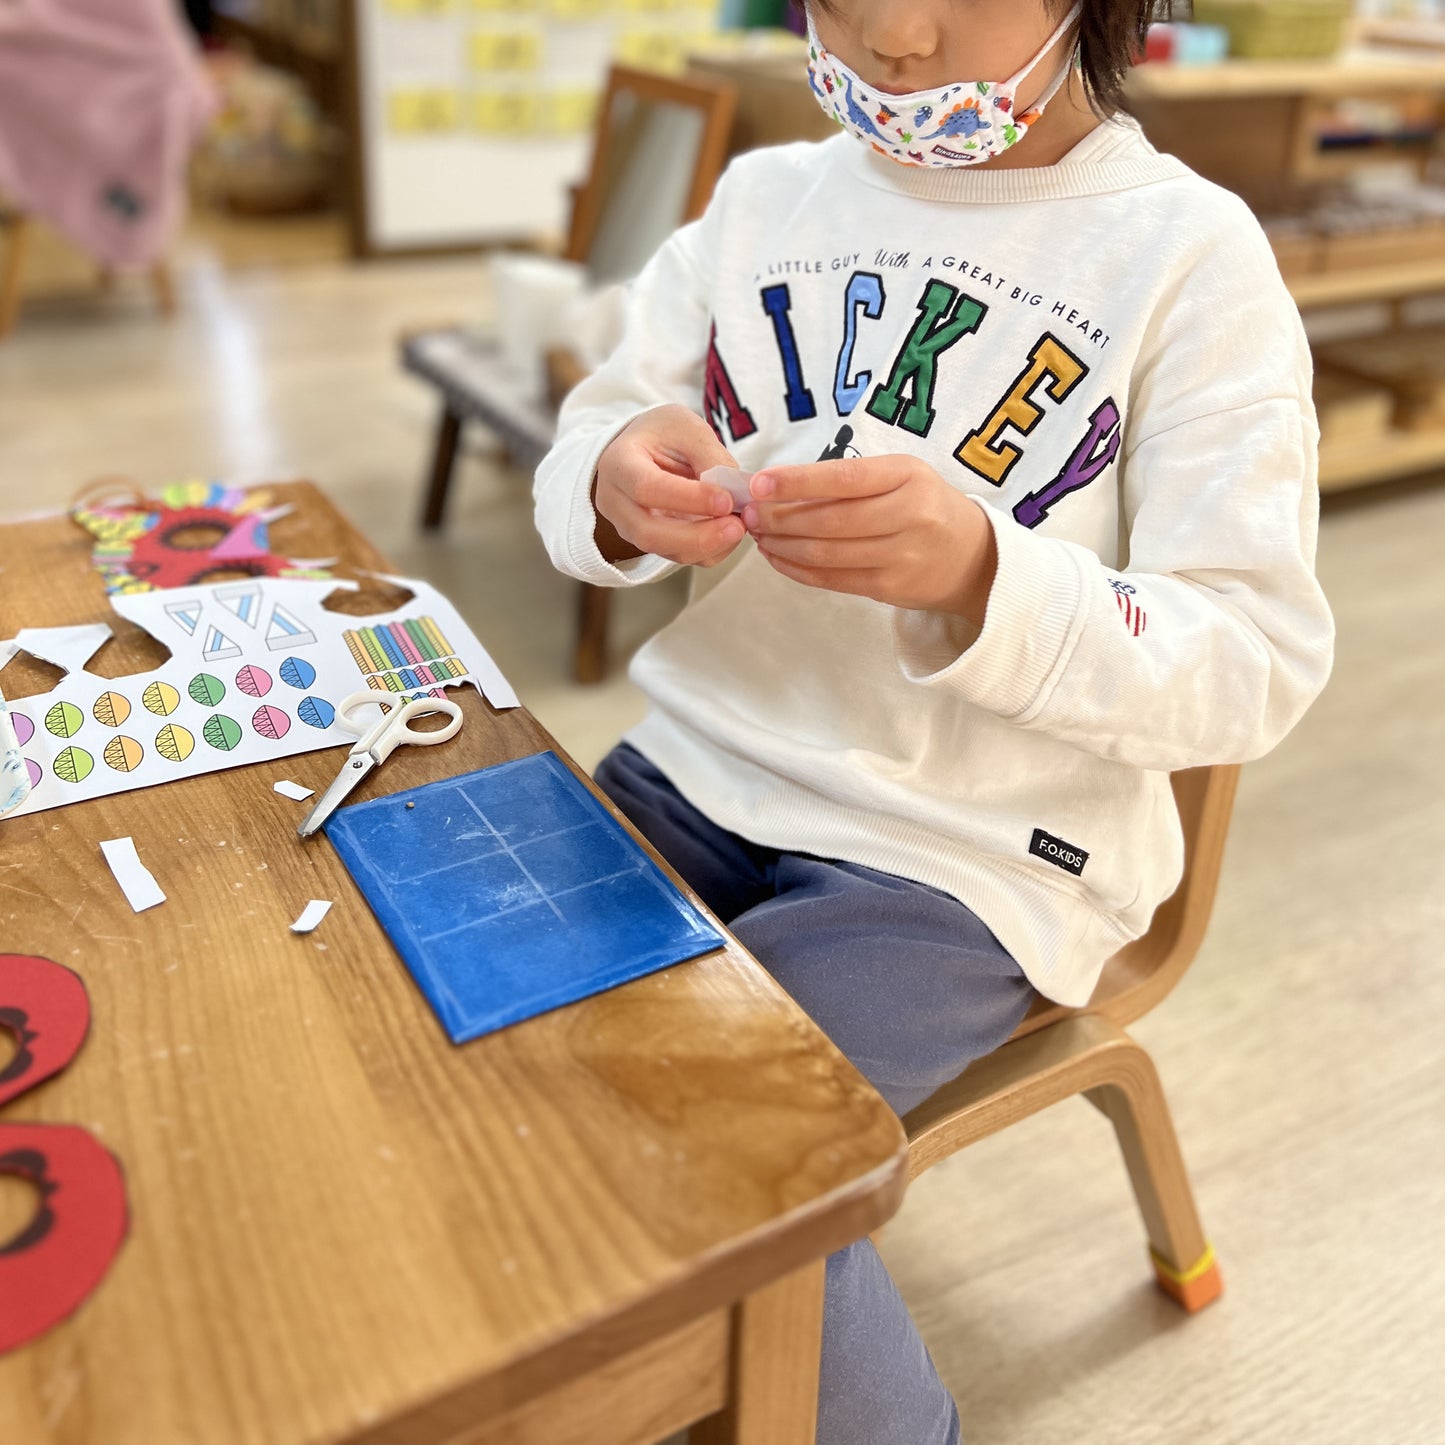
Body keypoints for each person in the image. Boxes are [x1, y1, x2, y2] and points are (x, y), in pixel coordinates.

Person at [533, 1, 1335, 1440]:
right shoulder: (766, 198)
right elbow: (607, 409)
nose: (895, 35)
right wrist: (609, 477)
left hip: (963, 856)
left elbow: (1251, 658)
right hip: (695, 768)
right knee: (461, 1031)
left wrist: (987, 581)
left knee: (730, 1139)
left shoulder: (1189, 258)